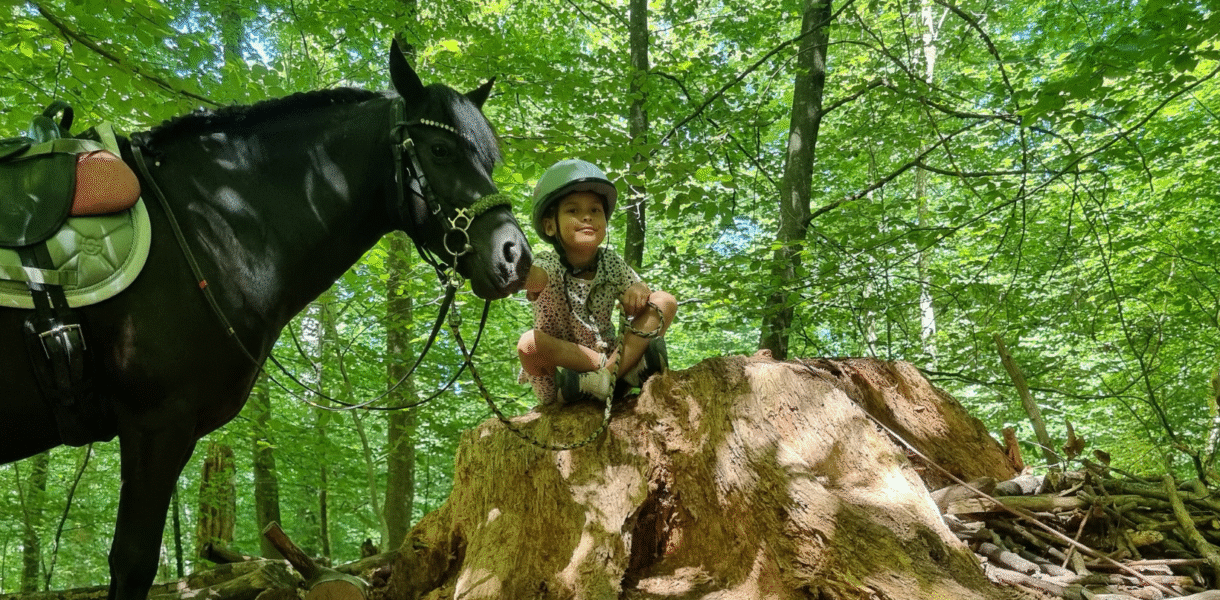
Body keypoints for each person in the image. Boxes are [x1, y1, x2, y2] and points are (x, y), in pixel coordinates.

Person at [517, 159, 677, 405]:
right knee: (529, 344)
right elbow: (534, 279)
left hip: (610, 360)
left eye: (595, 211)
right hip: (565, 379)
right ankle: (622, 372)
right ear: (550, 226)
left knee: (664, 300)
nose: (586, 217)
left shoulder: (610, 261)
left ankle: (608, 378)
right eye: (573, 211)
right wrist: (514, 271)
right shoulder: (548, 263)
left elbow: (641, 289)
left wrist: (639, 289)